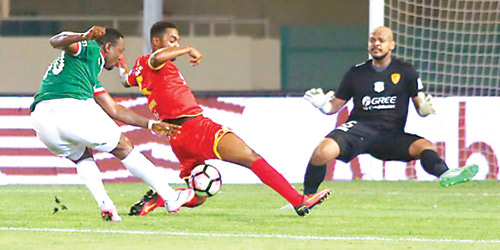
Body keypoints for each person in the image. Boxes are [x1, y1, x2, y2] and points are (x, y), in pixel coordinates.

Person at [117, 21, 330, 217]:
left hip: (178, 138)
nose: (177, 44)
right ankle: (298, 201)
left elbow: (126, 81)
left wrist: (121, 64)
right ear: (156, 41)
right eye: (173, 40)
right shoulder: (152, 61)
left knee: (199, 194)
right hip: (196, 128)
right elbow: (156, 57)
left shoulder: (140, 69)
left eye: (179, 41)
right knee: (251, 157)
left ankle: (161, 198)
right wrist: (188, 49)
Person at [30, 26, 195, 222]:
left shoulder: (85, 72)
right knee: (124, 146)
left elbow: (114, 109)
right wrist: (83, 36)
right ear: (108, 47)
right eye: (120, 51)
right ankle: (171, 197)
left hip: (41, 119)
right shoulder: (91, 48)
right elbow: (56, 40)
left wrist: (149, 124)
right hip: (70, 106)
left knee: (82, 156)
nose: (120, 58)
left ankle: (106, 205)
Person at [301, 26, 479, 195]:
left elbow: (420, 106)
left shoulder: (406, 71)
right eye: (372, 40)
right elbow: (334, 107)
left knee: (426, 147)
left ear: (391, 45)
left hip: (390, 136)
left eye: (381, 40)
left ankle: (446, 174)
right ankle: (306, 198)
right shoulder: (356, 73)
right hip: (359, 129)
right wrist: (323, 105)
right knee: (322, 152)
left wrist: (425, 110)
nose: (376, 44)